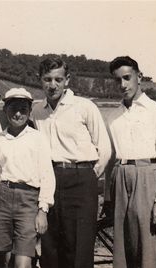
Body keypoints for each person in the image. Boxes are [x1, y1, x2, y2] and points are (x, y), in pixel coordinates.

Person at [31, 57, 111, 268]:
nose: (52, 85)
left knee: (79, 247)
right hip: (50, 179)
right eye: (47, 79)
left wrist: (90, 175)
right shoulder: (37, 111)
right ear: (40, 80)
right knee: (50, 244)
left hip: (81, 179)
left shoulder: (84, 107)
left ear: (67, 80)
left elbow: (105, 148)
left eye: (58, 79)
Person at [105, 56, 156, 268]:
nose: (123, 85)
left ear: (139, 77)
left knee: (147, 246)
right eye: (118, 80)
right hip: (120, 177)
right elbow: (110, 158)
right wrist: (108, 196)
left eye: (127, 78)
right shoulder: (113, 116)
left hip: (146, 177)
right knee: (121, 250)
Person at [0, 88, 56, 268]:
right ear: (5, 109)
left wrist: (43, 210)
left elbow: (47, 175)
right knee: (2, 256)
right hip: (2, 197)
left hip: (28, 200)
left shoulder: (38, 138)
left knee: (24, 257)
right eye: (13, 109)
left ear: (29, 111)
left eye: (23, 109)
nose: (18, 114)